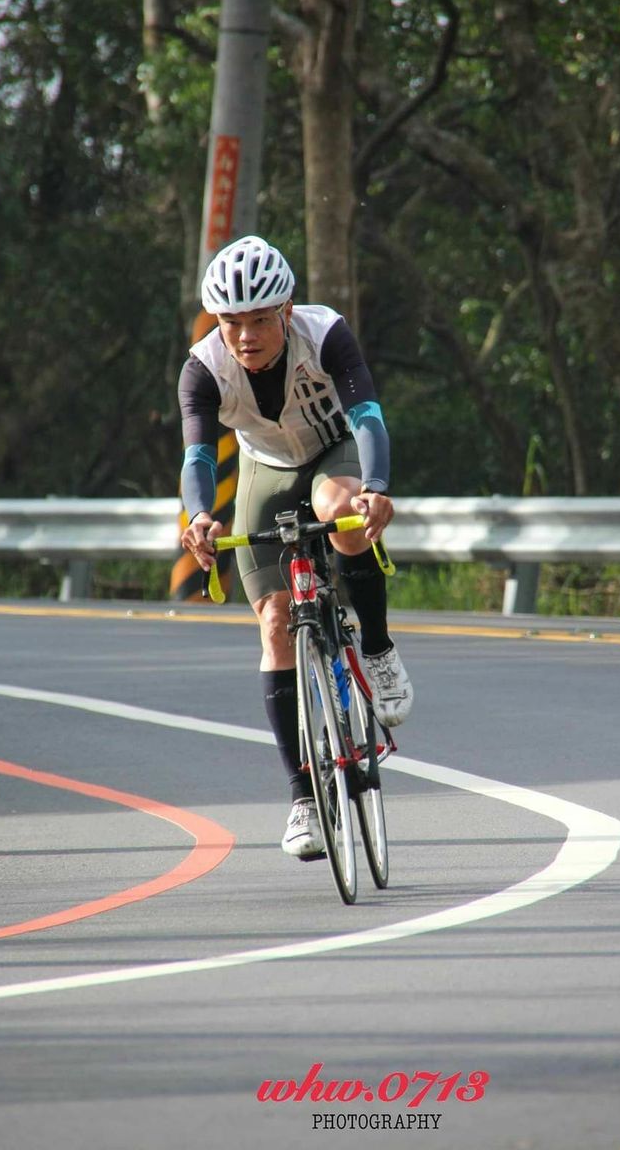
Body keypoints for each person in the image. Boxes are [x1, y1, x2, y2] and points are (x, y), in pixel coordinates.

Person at [178, 235, 413, 860]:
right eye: (231, 321)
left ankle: (378, 648)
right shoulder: (203, 368)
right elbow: (198, 457)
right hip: (267, 469)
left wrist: (375, 487)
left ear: (285, 311)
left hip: (334, 449)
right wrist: (200, 517)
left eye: (259, 319)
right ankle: (303, 798)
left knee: (341, 513)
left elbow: (368, 417)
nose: (245, 335)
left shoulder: (325, 334)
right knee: (276, 624)